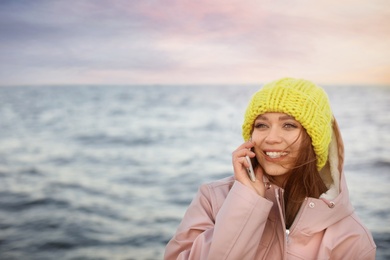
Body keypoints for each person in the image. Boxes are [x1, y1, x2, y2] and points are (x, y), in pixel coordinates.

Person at [164, 77, 376, 259]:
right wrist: (245, 203)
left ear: (315, 140)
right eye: (261, 125)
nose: (271, 138)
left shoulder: (351, 236)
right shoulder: (212, 199)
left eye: (289, 125)